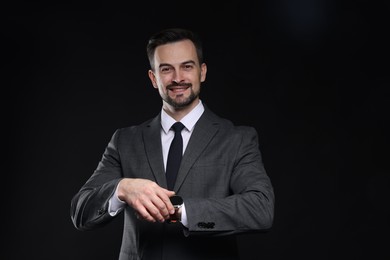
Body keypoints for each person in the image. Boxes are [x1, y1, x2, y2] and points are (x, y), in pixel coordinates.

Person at [70, 27, 275, 260]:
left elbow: (261, 209)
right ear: (153, 78)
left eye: (187, 66)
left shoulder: (237, 139)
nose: (177, 78)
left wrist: (177, 210)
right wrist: (122, 189)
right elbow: (81, 211)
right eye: (166, 69)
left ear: (202, 72)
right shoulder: (125, 141)